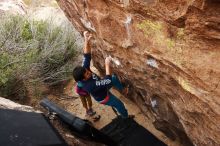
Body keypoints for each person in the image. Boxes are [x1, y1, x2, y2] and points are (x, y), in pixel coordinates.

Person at [72, 31, 130, 118]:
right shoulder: (89, 85)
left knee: (114, 78)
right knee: (119, 105)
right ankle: (126, 117)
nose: (89, 73)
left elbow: (86, 55)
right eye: (87, 74)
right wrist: (107, 64)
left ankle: (123, 90)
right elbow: (107, 81)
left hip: (102, 87)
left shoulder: (84, 70)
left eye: (88, 71)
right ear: (83, 79)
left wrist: (86, 40)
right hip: (104, 97)